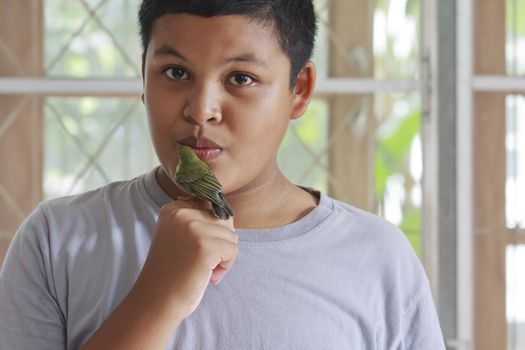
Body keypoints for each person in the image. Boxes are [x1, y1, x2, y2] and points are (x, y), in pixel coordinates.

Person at [0, 1, 445, 349]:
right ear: (142, 77)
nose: (201, 110)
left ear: (299, 91)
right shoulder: (55, 240)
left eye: (241, 78)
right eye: (176, 72)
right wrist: (158, 298)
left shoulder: (378, 259)